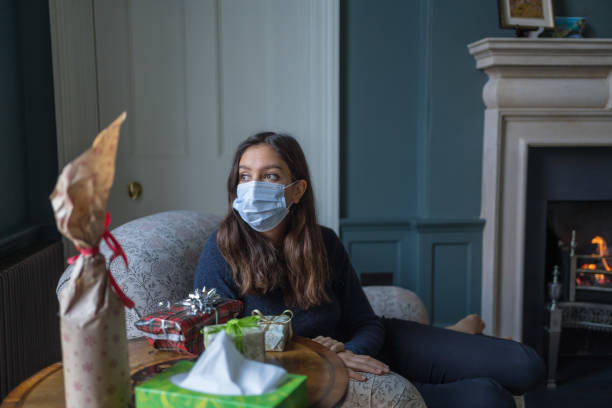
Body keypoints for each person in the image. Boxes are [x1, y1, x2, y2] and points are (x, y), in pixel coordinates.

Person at [194, 132, 545, 407]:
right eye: (245, 176)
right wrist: (323, 358)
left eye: (270, 176)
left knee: (526, 365)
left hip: (371, 346)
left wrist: (351, 351)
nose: (254, 187)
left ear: (297, 190)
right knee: (490, 397)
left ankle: (453, 336)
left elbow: (366, 321)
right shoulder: (221, 252)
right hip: (327, 372)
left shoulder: (324, 242)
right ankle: (456, 335)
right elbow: (222, 354)